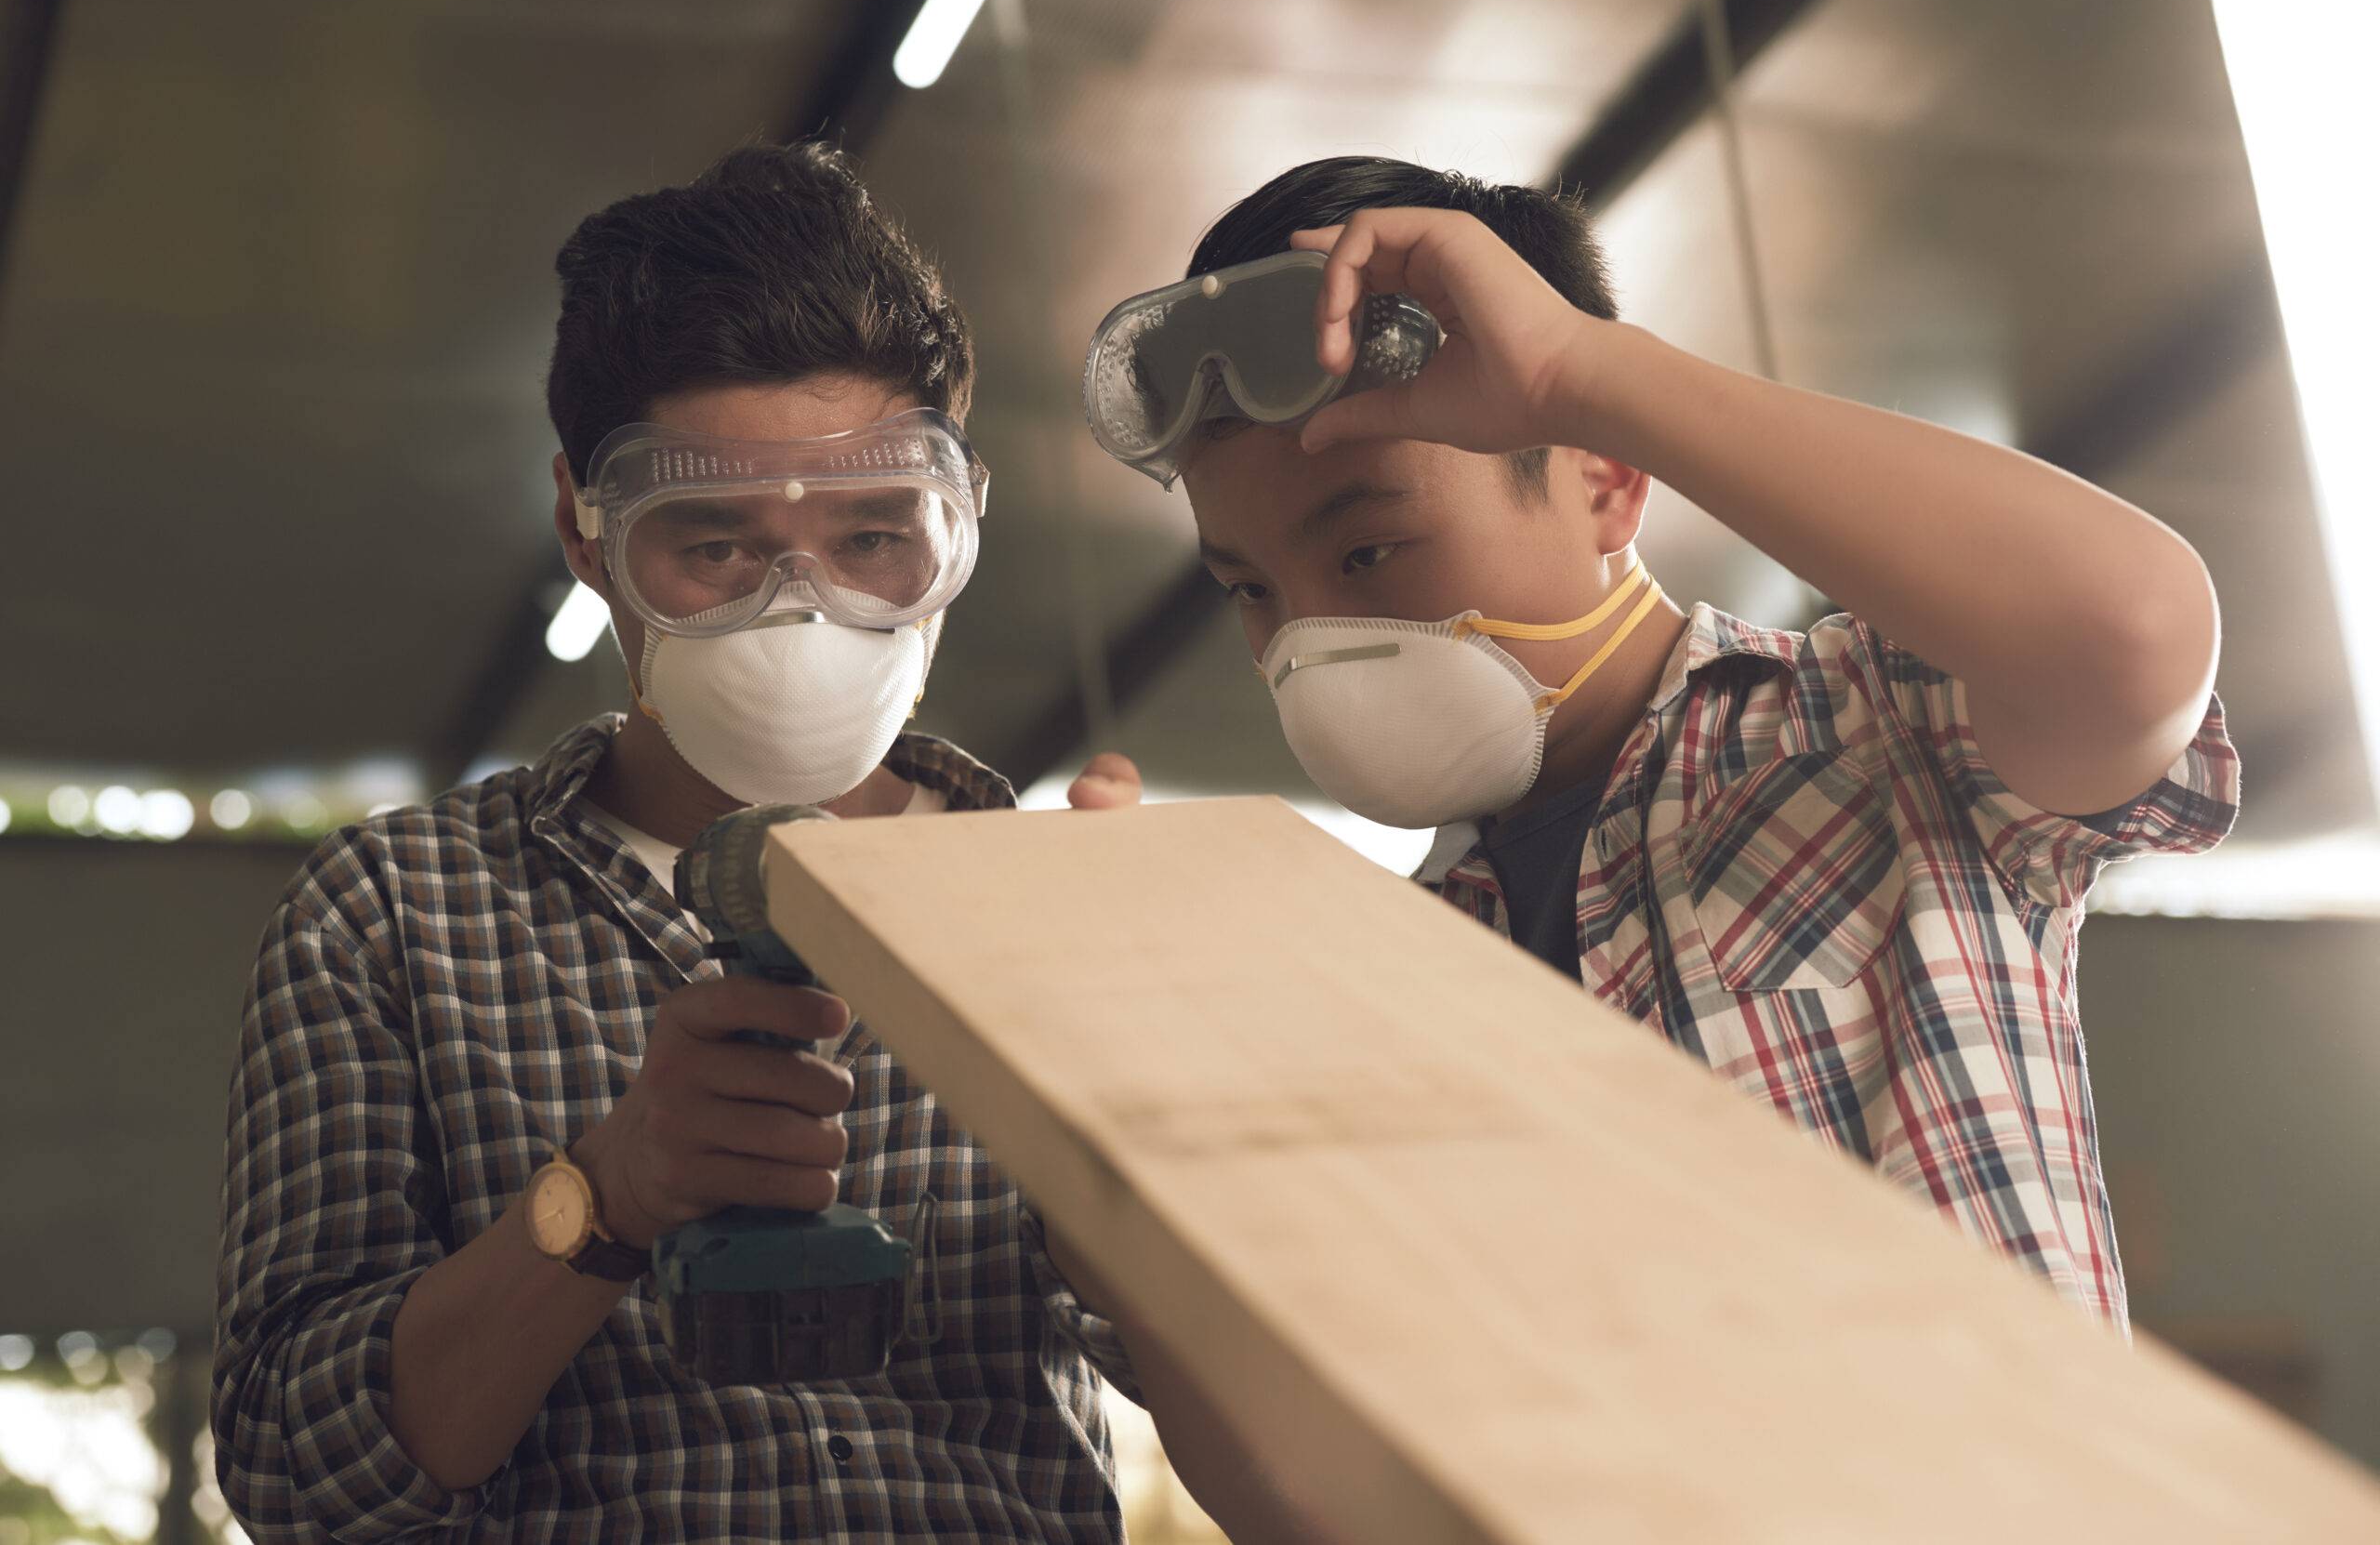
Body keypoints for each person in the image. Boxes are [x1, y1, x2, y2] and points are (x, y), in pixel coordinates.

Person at [1084, 156, 2238, 1337]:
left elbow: (2132, 632)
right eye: (1250, 590)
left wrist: (1577, 373)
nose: (1310, 640)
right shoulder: (1382, 977)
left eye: (1369, 553)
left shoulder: (1872, 729)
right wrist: (1146, 1050)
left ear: (1606, 479)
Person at [212, 141, 1156, 1541]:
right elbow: (303, 1476)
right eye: (711, 547)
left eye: (875, 538)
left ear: (959, 531)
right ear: (585, 536)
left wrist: (1155, 1129)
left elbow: (1295, 1442)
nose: (804, 604)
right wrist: (602, 1198)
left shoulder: (1069, 911)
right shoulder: (395, 915)